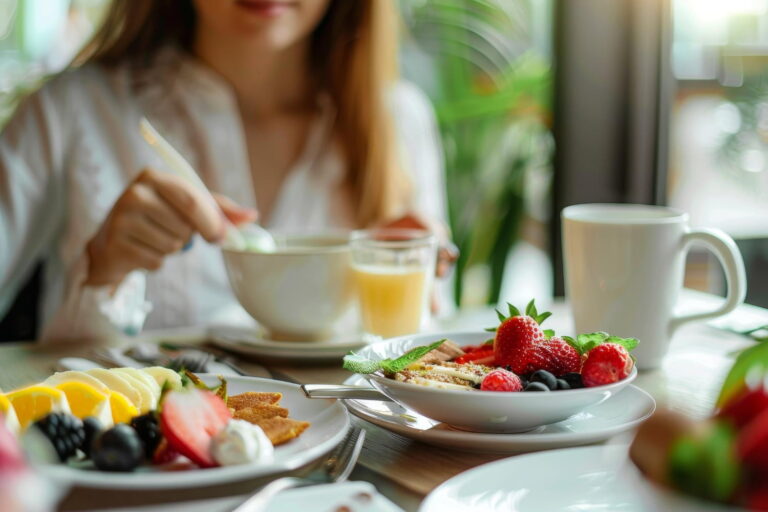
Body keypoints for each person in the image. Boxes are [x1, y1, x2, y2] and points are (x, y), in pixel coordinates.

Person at [0, 0, 453, 342]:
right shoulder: (70, 112)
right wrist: (103, 271)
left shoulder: (400, 122)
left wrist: (422, 290)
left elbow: (426, 357)